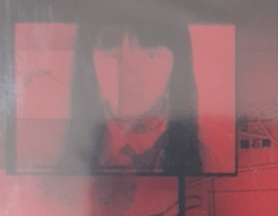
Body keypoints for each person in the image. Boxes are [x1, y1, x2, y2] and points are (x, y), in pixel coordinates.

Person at [61, 20, 203, 174]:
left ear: (177, 65)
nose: (131, 76)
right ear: (88, 64)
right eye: (113, 55)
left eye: (151, 55)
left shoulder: (207, 161)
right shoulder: (59, 154)